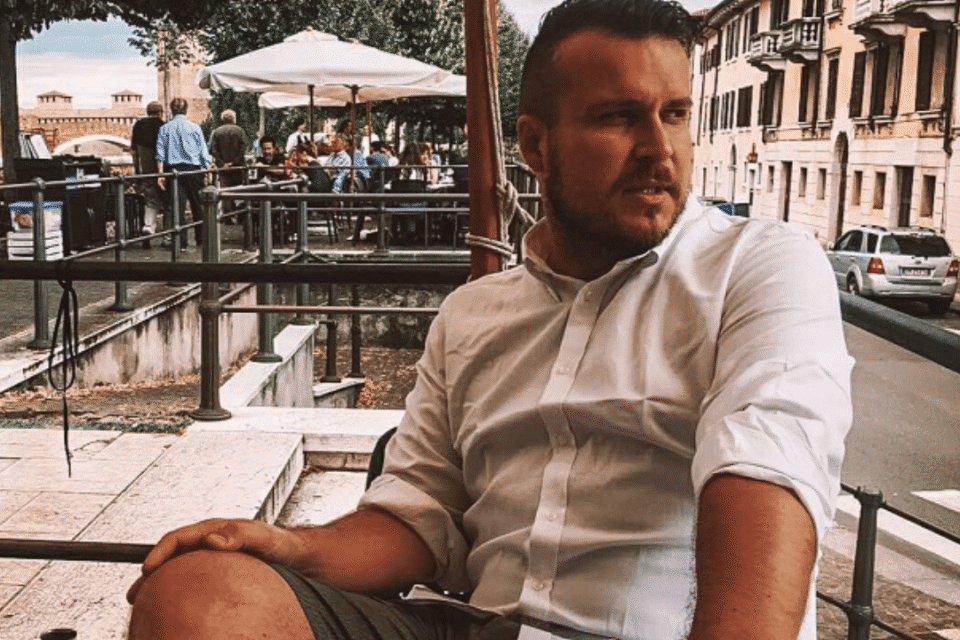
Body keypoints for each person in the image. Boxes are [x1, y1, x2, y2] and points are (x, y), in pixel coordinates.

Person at [126, 2, 854, 640]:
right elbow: (418, 515)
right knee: (196, 592)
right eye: (618, 116)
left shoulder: (759, 266)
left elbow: (766, 474)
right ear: (535, 146)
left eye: (675, 114)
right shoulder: (474, 313)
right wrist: (294, 546)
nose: (659, 149)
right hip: (479, 625)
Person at [155, 97, 211, 246]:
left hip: (174, 171)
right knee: (197, 205)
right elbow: (203, 151)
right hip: (193, 170)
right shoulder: (195, 127)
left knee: (177, 207)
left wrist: (160, 174)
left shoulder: (164, 129)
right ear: (186, 110)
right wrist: (207, 169)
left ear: (171, 111)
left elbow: (160, 154)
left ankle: (181, 241)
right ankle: (201, 238)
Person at [130, 100, 167, 243]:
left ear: (147, 112)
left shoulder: (138, 126)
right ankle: (168, 236)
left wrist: (137, 171)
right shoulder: (163, 126)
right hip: (162, 170)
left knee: (150, 200)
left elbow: (134, 152)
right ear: (160, 113)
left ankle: (148, 225)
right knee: (168, 202)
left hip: (145, 170)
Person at [209, 109, 247, 220]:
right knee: (239, 191)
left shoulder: (217, 132)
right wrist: (234, 162)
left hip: (223, 168)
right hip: (238, 167)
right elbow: (244, 148)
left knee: (225, 192)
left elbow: (212, 149)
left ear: (222, 119)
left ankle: (228, 216)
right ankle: (240, 214)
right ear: (234, 119)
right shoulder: (240, 131)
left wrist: (221, 163)